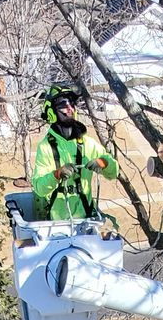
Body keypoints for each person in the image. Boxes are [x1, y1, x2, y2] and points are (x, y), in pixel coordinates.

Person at [31, 87, 119, 221]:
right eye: (63, 105)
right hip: (57, 224)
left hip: (87, 221)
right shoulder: (46, 147)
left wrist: (104, 163)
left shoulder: (88, 143)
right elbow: (40, 188)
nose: (69, 108)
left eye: (72, 104)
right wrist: (57, 174)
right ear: (51, 112)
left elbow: (114, 172)